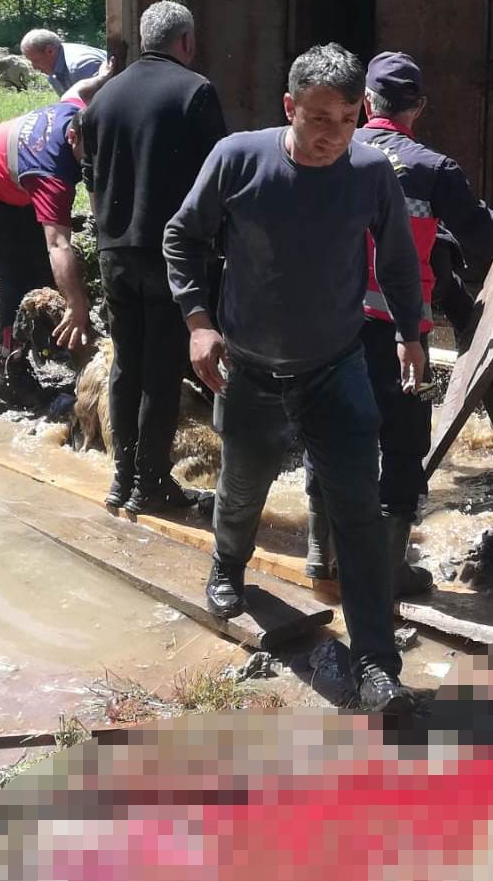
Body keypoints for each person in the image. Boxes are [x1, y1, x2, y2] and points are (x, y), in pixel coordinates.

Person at [163, 43, 424, 715]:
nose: (329, 133)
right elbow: (182, 236)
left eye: (344, 117)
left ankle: (376, 665)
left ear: (360, 112)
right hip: (248, 367)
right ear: (289, 107)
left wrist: (410, 331)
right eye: (316, 117)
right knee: (242, 486)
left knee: (357, 511)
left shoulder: (369, 172)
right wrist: (198, 321)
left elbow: (396, 260)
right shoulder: (238, 158)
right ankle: (227, 564)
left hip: (335, 368)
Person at [305, 51, 493, 598]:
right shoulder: (432, 168)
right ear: (418, 106)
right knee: (399, 443)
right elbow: (483, 233)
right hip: (400, 335)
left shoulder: (329, 148)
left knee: (328, 429)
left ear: (365, 101)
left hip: (328, 326)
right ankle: (388, 571)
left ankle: (320, 558)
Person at [80, 1, 226, 516]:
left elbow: (90, 177)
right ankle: (153, 484)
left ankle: (122, 481)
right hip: (172, 253)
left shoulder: (100, 100)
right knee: (163, 369)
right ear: (185, 41)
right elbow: (218, 180)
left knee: (128, 365)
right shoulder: (195, 92)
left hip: (114, 251)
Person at [0, 67, 112, 404]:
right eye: (89, 154)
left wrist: (107, 74)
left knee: (41, 271)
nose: (92, 164)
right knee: (16, 275)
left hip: (10, 184)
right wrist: (78, 304)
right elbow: (59, 244)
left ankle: (46, 342)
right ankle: (10, 373)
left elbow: (83, 87)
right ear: (72, 138)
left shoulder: (75, 109)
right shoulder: (52, 174)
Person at [20, 29, 107, 96]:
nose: (34, 67)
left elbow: (104, 106)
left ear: (50, 51)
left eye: (35, 61)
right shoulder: (54, 68)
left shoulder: (81, 67)